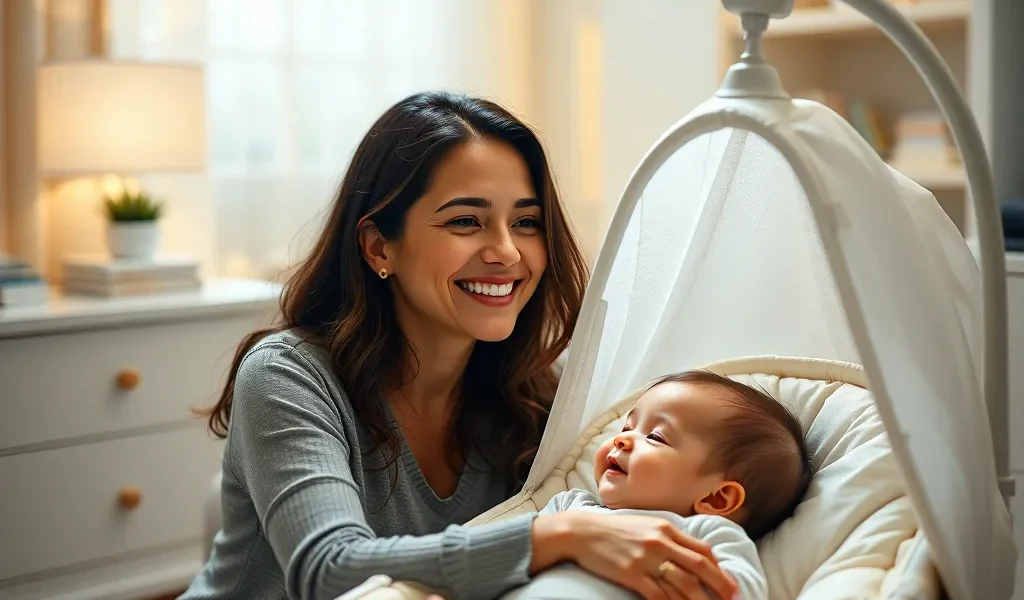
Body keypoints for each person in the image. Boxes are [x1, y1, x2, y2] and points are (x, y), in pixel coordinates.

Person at [179, 91, 737, 600]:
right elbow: (328, 569)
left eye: (526, 222)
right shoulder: (287, 377)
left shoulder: (538, 393)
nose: (507, 253)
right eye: (466, 221)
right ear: (379, 248)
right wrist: (557, 535)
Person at [500, 370, 814, 600]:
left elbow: (735, 591)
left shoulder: (705, 536)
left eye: (655, 437)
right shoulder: (570, 507)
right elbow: (494, 558)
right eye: (627, 426)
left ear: (717, 499)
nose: (621, 439)